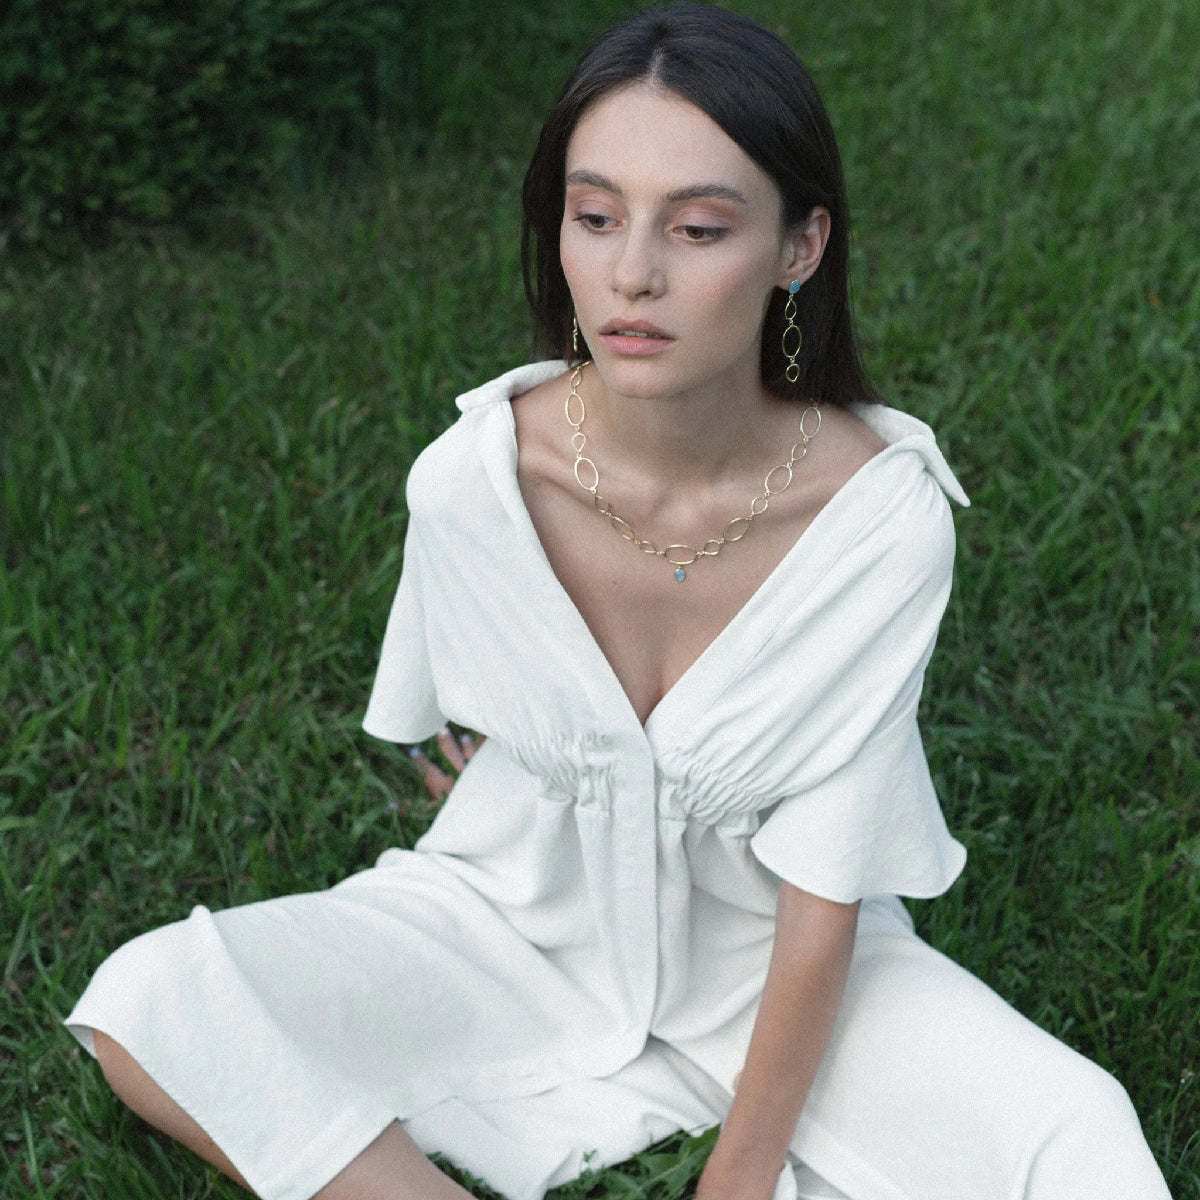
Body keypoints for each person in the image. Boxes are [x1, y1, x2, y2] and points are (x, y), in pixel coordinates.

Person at [66, 6, 1172, 1200]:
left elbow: (825, 886)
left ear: (801, 247)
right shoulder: (473, 486)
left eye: (697, 228)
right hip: (510, 927)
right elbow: (478, 723)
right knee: (152, 995)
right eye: (594, 219)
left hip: (771, 968)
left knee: (1077, 1133)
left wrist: (735, 1181)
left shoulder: (877, 521)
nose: (632, 273)